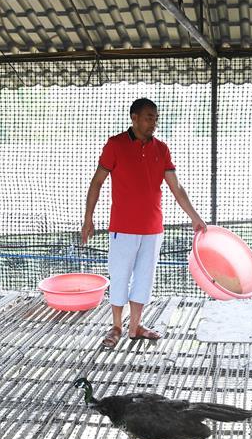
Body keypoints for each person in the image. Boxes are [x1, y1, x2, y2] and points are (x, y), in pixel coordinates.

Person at [81, 98, 207, 348]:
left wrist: (195, 217)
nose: (154, 123)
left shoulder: (162, 149)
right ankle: (116, 326)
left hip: (153, 229)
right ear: (134, 118)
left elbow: (176, 187)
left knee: (144, 278)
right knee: (120, 276)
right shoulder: (115, 144)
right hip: (122, 228)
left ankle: (135, 326)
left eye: (156, 118)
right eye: (149, 117)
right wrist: (88, 219)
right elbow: (97, 182)